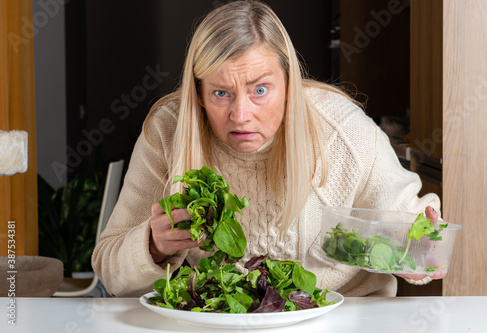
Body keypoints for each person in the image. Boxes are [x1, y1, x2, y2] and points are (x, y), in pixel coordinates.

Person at [92, 0, 441, 297]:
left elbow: (417, 238)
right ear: (198, 94)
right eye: (220, 93)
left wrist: (421, 250)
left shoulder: (342, 130)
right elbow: (108, 268)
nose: (240, 115)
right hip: (215, 325)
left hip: (342, 319)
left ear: (290, 84)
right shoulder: (169, 130)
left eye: (260, 90)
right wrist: (151, 246)